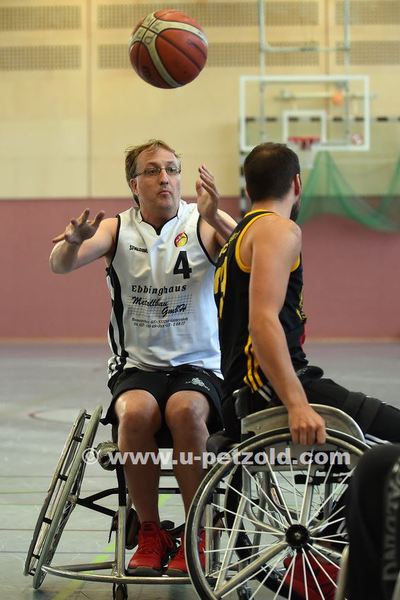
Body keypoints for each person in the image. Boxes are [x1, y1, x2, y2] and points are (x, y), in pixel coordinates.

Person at [214, 141, 400, 597]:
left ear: (247, 187)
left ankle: (331, 544)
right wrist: (297, 403)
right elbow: (262, 322)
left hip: (243, 391)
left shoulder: (242, 234)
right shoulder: (280, 231)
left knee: (373, 445)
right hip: (278, 388)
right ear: (297, 183)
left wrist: (210, 214)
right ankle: (328, 553)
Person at [49, 139, 236, 576]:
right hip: (137, 366)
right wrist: (71, 244)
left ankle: (196, 530)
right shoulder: (117, 229)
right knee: (134, 414)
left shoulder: (201, 221)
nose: (164, 178)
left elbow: (251, 248)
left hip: (198, 365)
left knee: (186, 411)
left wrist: (215, 215)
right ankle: (151, 530)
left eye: (172, 169)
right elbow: (60, 264)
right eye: (152, 170)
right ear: (134, 184)